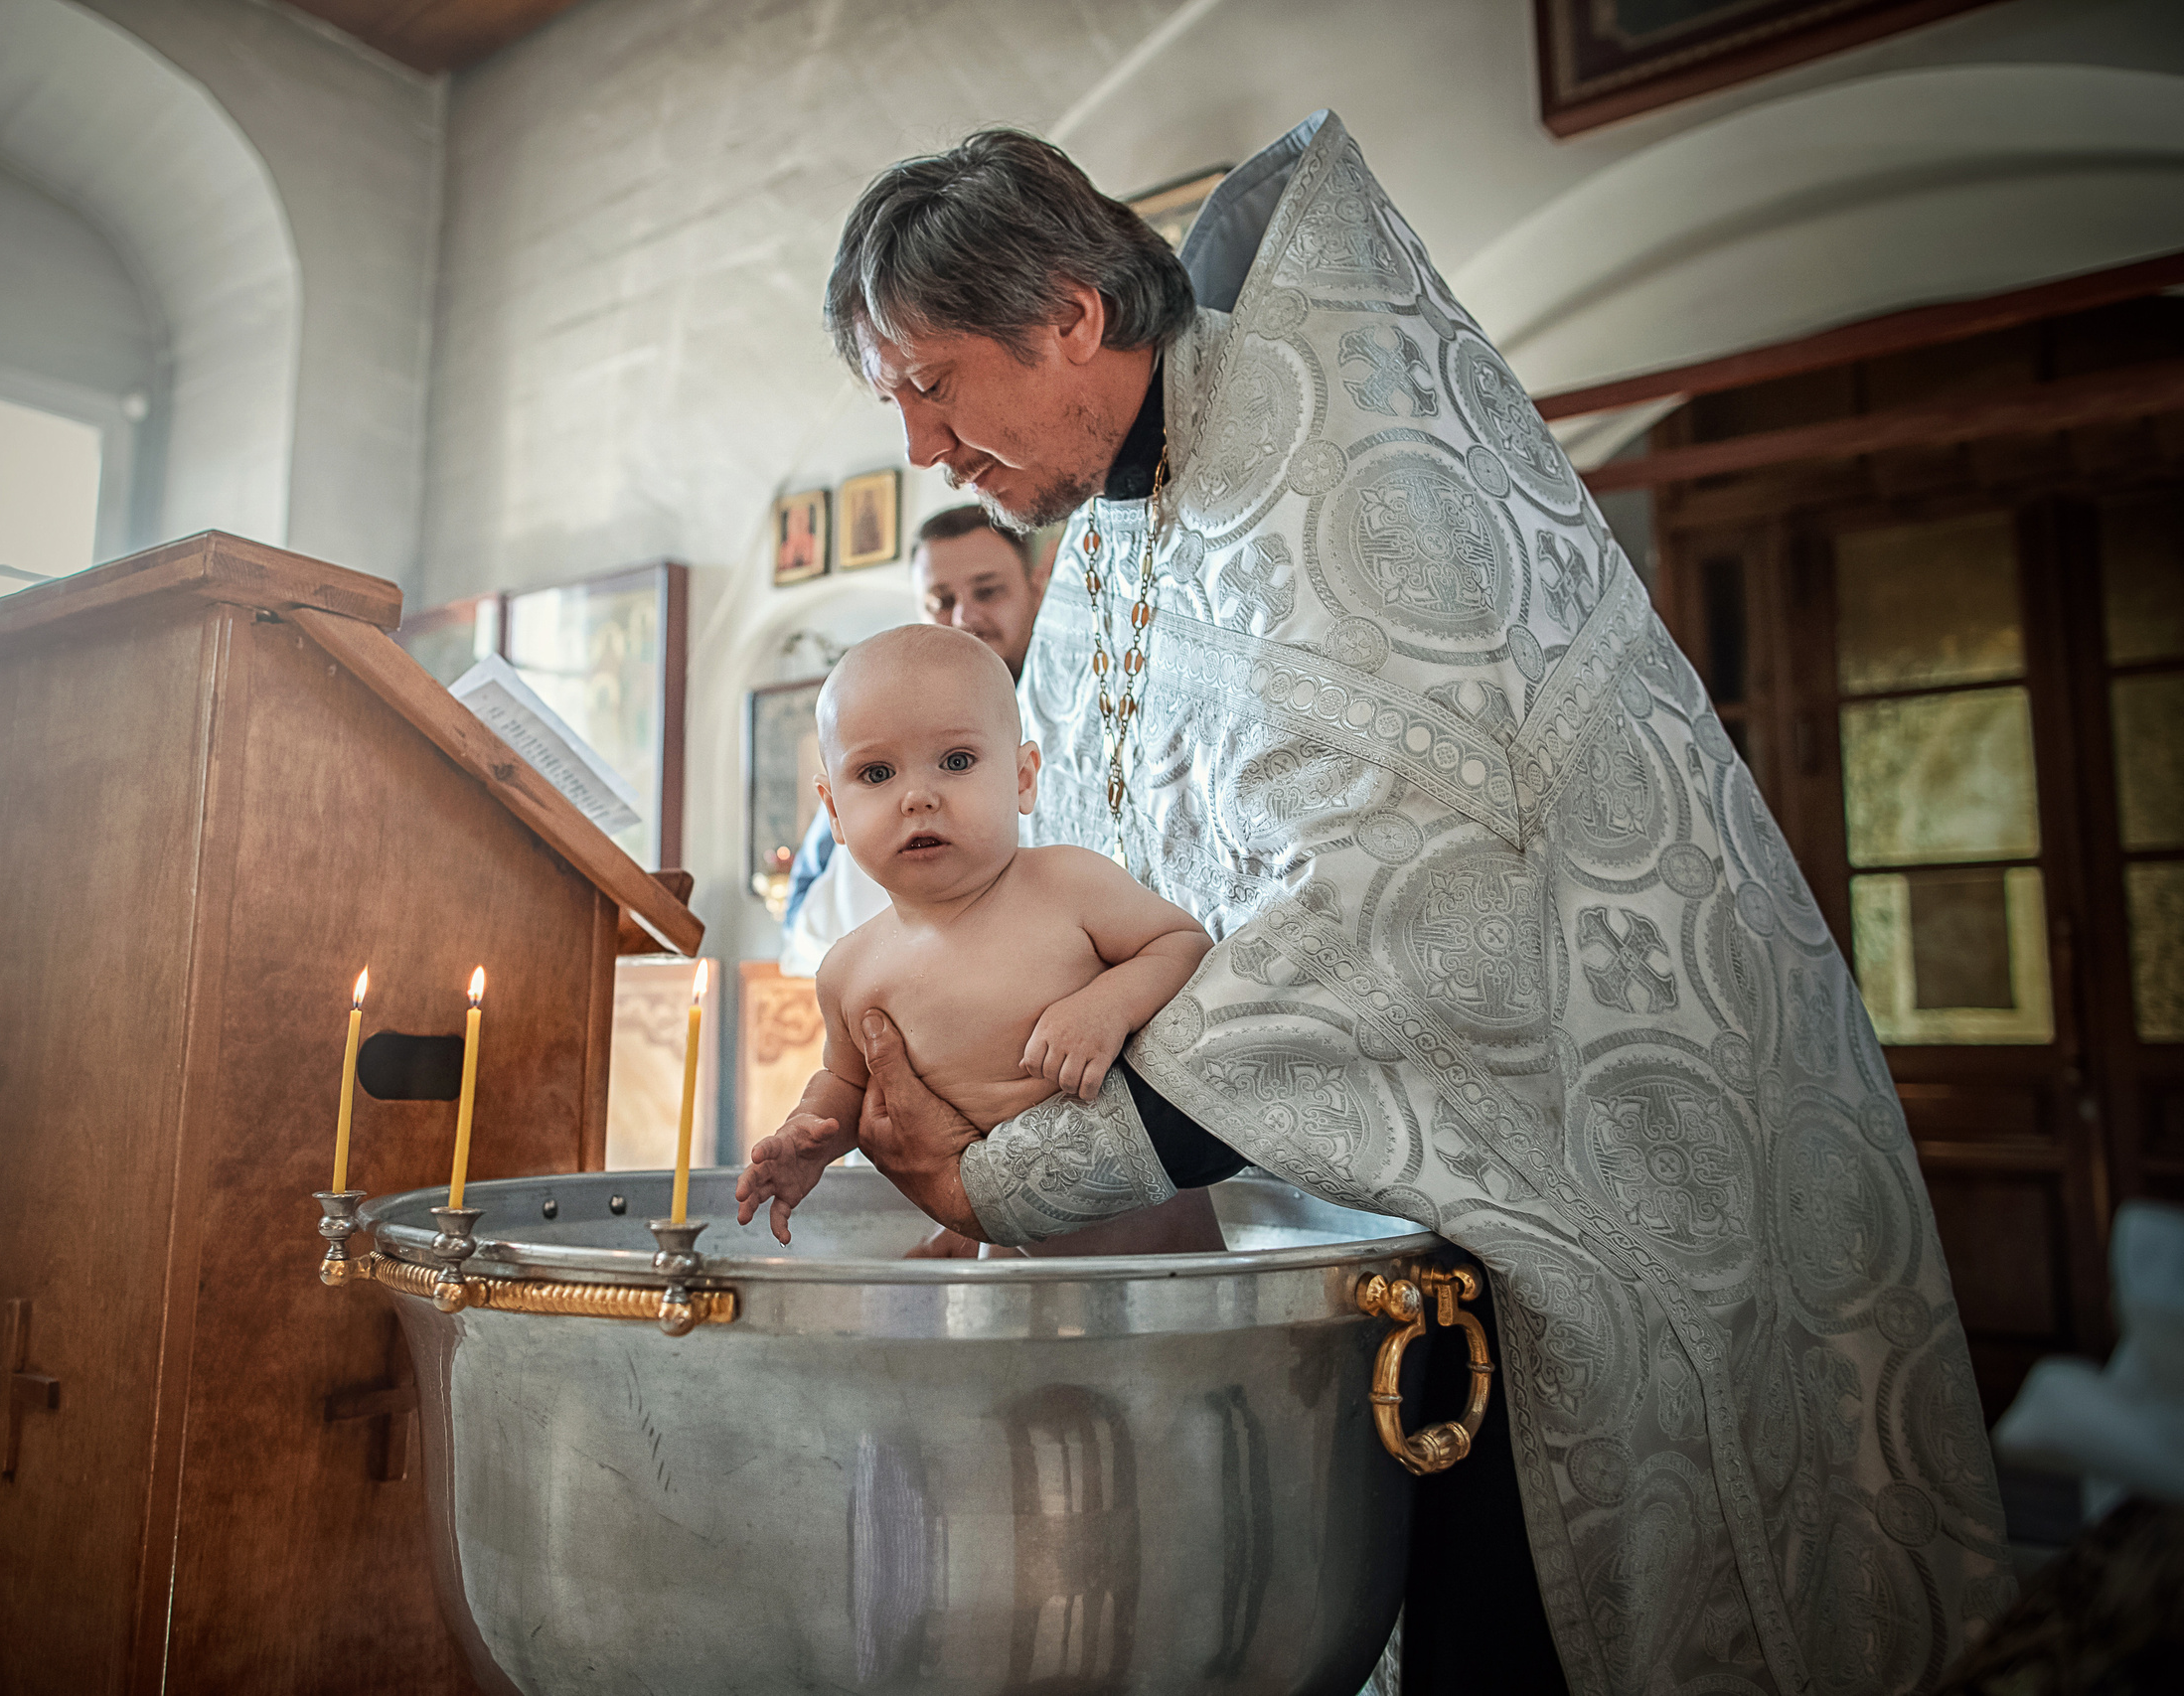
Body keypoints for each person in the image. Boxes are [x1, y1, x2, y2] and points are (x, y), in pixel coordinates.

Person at [820, 116, 2014, 1696]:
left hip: (1578, 1195)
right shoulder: (1117, 534)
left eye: (929, 381)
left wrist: (1024, 1174)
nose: (917, 447)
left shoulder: (1346, 464)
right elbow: (1093, 887)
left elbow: (1394, 914)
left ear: (1068, 318)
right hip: (1352, 1219)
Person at [737, 623, 1226, 1254]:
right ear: (832, 810)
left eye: (957, 762)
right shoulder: (850, 970)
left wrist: (1106, 1005)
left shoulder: (1066, 885)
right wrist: (807, 1138)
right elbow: (848, 1083)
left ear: (1023, 778)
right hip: (1010, 1260)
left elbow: (1184, 946)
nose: (918, 797)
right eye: (877, 773)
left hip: (1163, 1252)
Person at [780, 505, 1046, 976]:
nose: (965, 617)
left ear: (1035, 590)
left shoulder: (1072, 717)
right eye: (941, 601)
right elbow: (805, 923)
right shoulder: (870, 737)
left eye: (987, 591)